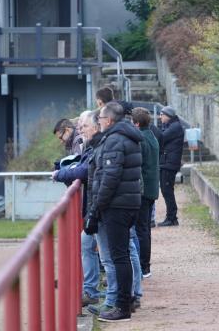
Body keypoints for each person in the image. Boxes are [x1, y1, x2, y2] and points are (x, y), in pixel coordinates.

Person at [86, 102, 143, 322]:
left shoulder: (114, 140)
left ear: (108, 120)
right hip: (127, 202)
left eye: (100, 118)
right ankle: (124, 302)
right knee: (123, 255)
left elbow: (109, 178)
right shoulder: (126, 137)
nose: (98, 122)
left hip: (117, 205)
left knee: (119, 256)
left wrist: (95, 209)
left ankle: (122, 307)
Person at [52, 111, 106, 308]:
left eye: (85, 127)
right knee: (91, 245)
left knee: (107, 252)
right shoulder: (92, 144)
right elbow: (83, 166)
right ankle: (93, 290)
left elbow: (84, 169)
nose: (82, 131)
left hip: (101, 203)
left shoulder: (91, 144)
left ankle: (109, 295)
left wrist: (62, 173)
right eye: (81, 127)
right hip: (97, 201)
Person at [131, 107, 160, 278]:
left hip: (142, 191)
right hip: (151, 189)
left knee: (141, 230)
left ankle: (143, 267)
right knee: (145, 230)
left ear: (136, 123)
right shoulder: (152, 137)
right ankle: (145, 266)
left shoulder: (140, 139)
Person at [157, 106, 184, 227]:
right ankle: (171, 217)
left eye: (162, 114)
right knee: (166, 190)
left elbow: (161, 138)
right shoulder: (171, 126)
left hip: (169, 164)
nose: (160, 117)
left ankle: (172, 218)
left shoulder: (175, 127)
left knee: (167, 190)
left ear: (168, 115)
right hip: (167, 162)